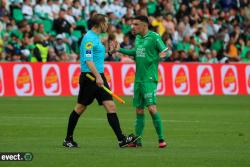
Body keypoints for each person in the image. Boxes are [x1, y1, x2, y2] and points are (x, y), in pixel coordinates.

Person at [63, 14, 139, 148]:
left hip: (98, 76)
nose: (108, 25)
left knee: (111, 106)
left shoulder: (96, 38)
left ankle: (121, 139)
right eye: (107, 22)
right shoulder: (89, 39)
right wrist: (98, 77)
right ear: (100, 23)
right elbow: (88, 60)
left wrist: (110, 52)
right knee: (80, 108)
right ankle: (68, 139)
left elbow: (97, 56)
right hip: (90, 77)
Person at [113, 15, 168, 148]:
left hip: (149, 78)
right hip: (138, 79)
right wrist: (119, 49)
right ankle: (137, 141)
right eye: (132, 24)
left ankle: (161, 139)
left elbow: (164, 51)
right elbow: (135, 52)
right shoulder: (137, 38)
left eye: (136, 24)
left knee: (151, 108)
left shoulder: (154, 37)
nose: (133, 27)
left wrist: (159, 56)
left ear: (144, 25)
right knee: (139, 110)